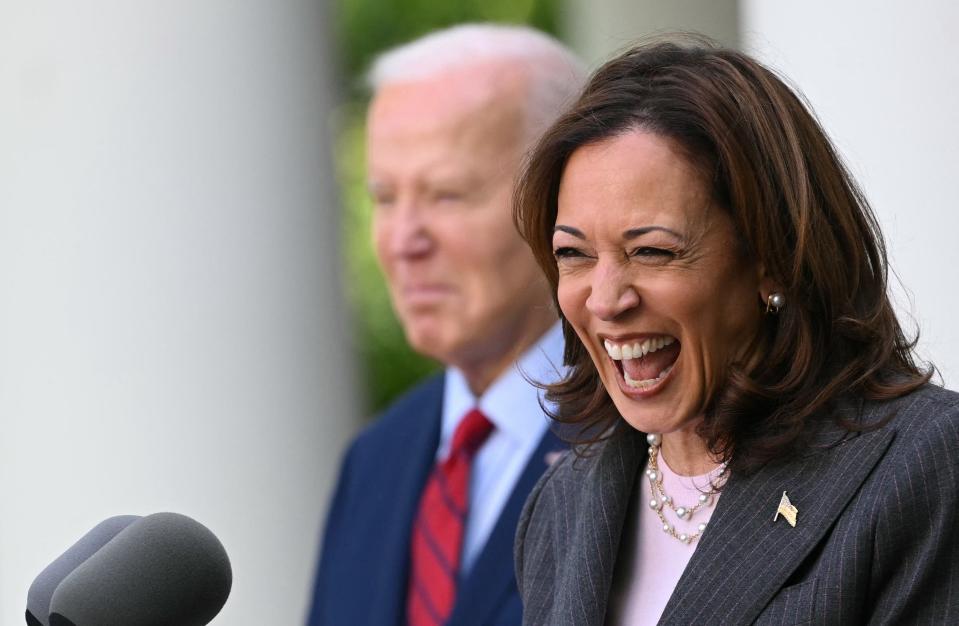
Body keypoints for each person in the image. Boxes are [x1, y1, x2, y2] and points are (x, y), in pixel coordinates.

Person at [512, 36, 959, 625]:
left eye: (651, 251)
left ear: (772, 255)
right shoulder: (562, 505)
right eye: (574, 254)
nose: (605, 299)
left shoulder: (923, 462)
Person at [307, 25, 584, 626]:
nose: (404, 240)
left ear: (564, 203)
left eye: (446, 195)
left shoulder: (653, 440)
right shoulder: (375, 460)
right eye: (384, 198)